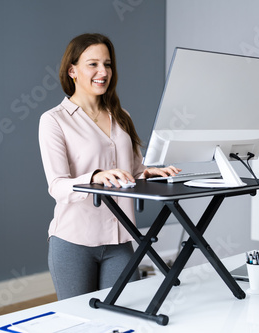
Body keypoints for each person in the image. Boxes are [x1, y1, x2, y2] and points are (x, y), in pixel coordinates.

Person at [38, 33, 181, 300]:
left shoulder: (121, 115)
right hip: (73, 242)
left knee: (121, 317)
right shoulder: (53, 120)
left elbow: (134, 169)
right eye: (92, 64)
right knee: (80, 323)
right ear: (73, 70)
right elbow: (57, 186)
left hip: (121, 239)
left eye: (107, 64)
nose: (102, 71)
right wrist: (96, 177)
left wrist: (148, 172)